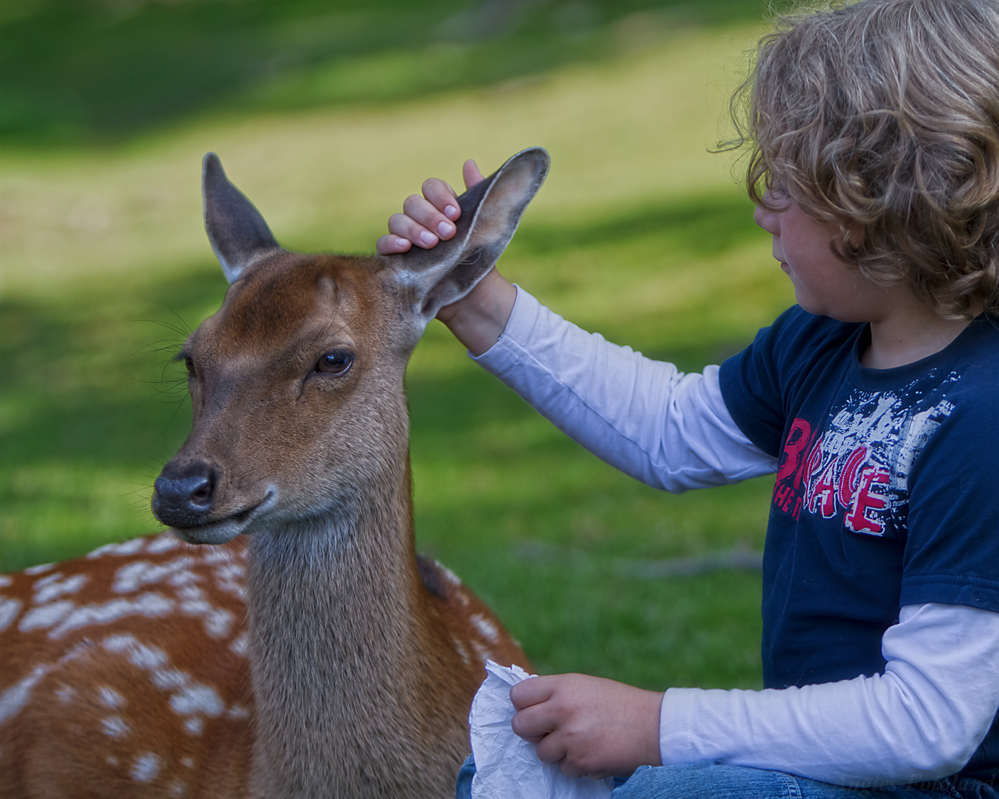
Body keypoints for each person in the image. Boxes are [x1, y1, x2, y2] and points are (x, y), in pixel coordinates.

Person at [376, 0, 999, 796]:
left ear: (881, 206)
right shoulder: (823, 341)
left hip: (933, 787)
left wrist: (656, 725)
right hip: (820, 768)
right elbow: (673, 432)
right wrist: (477, 300)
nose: (760, 212)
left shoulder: (978, 417)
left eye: (784, 188)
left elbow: (926, 724)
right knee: (503, 774)